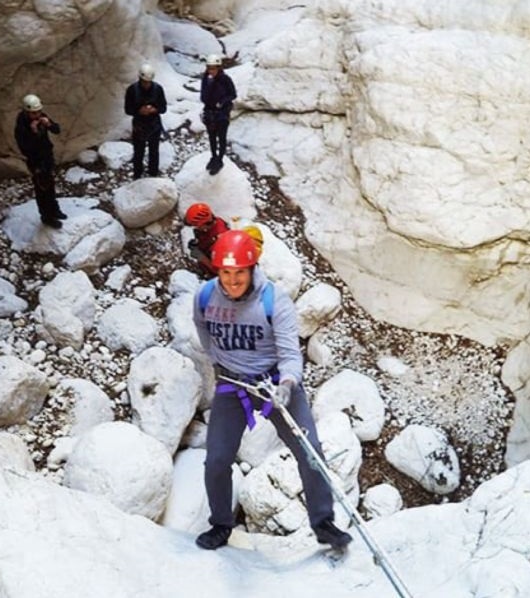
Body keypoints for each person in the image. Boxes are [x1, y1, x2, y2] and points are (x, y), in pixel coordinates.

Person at [192, 230, 353, 551]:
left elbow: (291, 354)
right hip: (232, 385)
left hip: (275, 383)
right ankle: (221, 524)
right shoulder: (205, 297)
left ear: (252, 269)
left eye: (239, 272)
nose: (233, 280)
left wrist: (287, 384)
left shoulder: (273, 299)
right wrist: (222, 363)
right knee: (217, 460)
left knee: (310, 452)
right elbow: (203, 333)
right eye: (226, 272)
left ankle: (323, 523)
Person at [14, 93, 67, 228]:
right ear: (27, 112)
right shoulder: (21, 127)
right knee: (42, 189)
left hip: (46, 156)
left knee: (50, 186)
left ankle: (54, 210)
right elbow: (26, 148)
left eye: (38, 112)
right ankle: (47, 216)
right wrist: (34, 132)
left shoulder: (42, 117)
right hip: (36, 161)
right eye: (34, 113)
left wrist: (48, 124)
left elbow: (57, 129)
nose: (37, 115)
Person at [124, 63, 167, 179]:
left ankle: (153, 173)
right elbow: (128, 109)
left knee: (154, 151)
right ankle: (137, 174)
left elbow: (163, 108)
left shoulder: (158, 89)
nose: (146, 85)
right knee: (138, 151)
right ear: (140, 79)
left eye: (148, 82)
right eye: (144, 82)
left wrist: (154, 110)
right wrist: (139, 111)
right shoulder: (132, 90)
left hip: (154, 124)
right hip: (139, 125)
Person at [200, 54, 237, 176]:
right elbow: (203, 94)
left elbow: (233, 94)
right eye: (209, 68)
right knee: (211, 136)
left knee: (221, 136)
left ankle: (220, 159)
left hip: (222, 113)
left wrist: (222, 102)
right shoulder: (206, 79)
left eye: (214, 68)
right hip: (210, 111)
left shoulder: (225, 79)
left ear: (218, 68)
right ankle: (214, 156)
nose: (211, 71)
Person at [184, 202, 229, 277]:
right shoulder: (216, 221)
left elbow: (221, 271)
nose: (196, 228)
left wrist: (200, 256)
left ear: (203, 224)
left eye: (196, 226)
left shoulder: (220, 243)